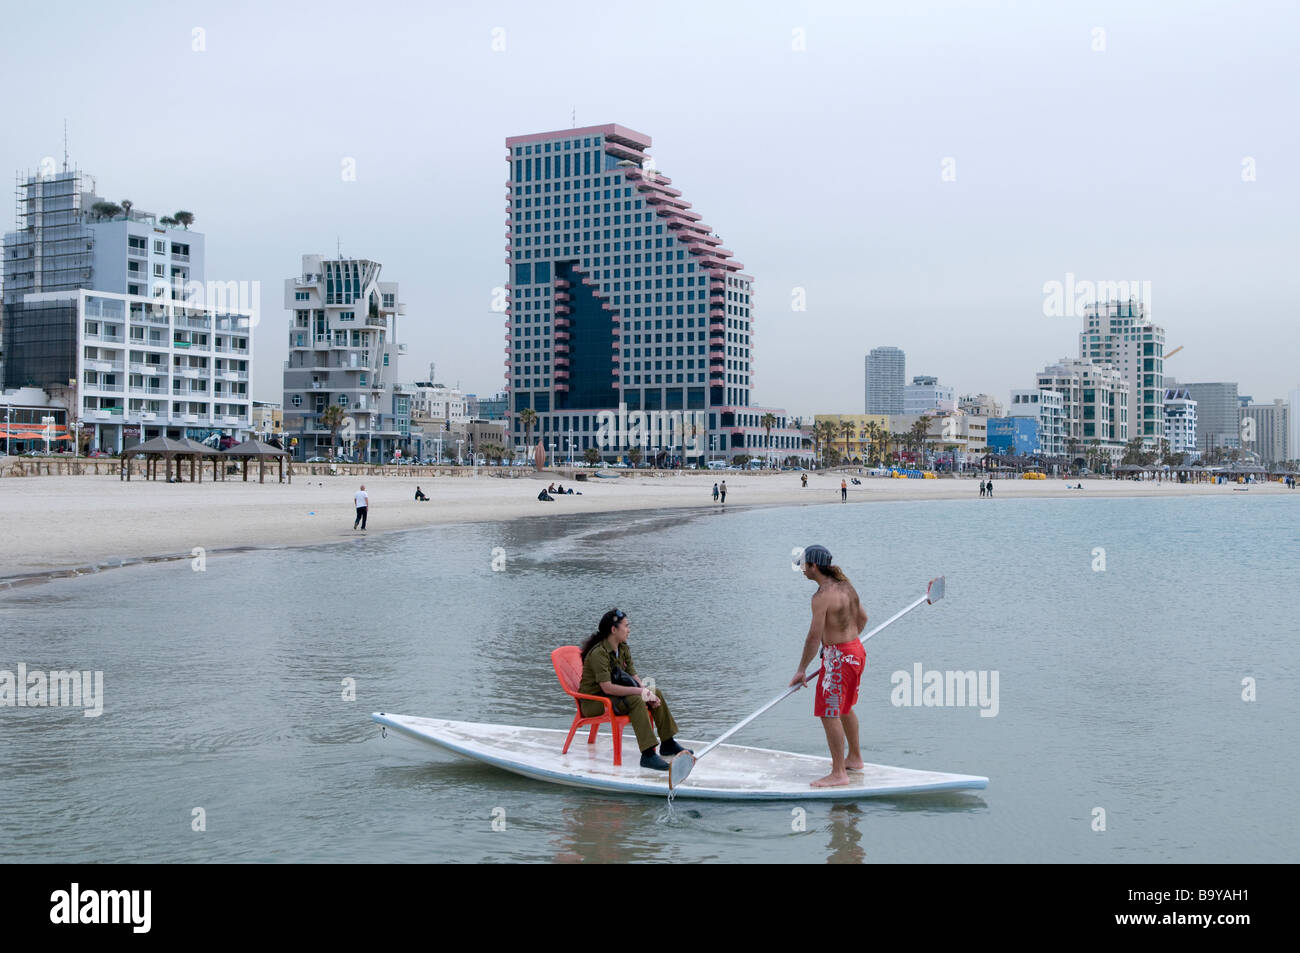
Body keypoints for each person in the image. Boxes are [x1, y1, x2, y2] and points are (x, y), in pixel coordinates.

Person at [790, 545, 868, 788]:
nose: (802, 570)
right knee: (844, 707)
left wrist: (801, 669)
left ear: (814, 566)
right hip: (856, 651)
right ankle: (854, 758)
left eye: (804, 566)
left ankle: (838, 773)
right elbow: (863, 618)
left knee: (829, 711)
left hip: (839, 659)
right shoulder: (846, 586)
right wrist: (846, 642)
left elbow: (813, 638)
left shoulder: (821, 597)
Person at [577, 609, 687, 770]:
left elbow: (632, 675)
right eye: (626, 626)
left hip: (612, 697)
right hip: (594, 702)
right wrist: (640, 693)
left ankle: (668, 743)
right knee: (636, 700)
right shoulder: (599, 653)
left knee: (656, 692)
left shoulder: (622, 647)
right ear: (614, 630)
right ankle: (648, 755)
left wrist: (647, 693)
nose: (629, 630)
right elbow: (607, 688)